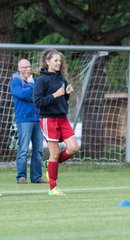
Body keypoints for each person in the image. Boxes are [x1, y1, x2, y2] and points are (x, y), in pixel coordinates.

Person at [34, 49, 79, 196]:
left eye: (60, 60)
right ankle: (53, 188)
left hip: (62, 118)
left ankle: (51, 164)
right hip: (49, 120)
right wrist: (55, 94)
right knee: (54, 153)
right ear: (48, 62)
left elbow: (62, 99)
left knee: (73, 148)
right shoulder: (41, 80)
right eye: (55, 60)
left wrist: (66, 93)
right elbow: (38, 102)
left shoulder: (61, 77)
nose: (59, 63)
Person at [10, 59, 47, 184]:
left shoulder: (35, 81)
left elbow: (39, 96)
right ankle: (21, 177)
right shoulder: (15, 82)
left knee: (38, 150)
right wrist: (31, 87)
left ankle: (36, 177)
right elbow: (21, 94)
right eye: (24, 67)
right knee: (23, 150)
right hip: (24, 120)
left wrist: (30, 92)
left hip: (38, 119)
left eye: (29, 66)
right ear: (19, 69)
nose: (27, 69)